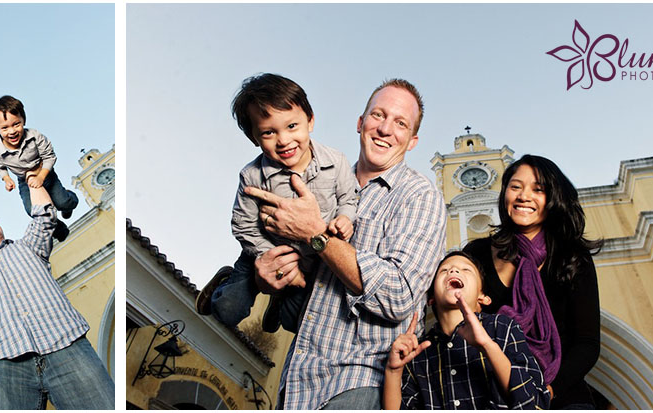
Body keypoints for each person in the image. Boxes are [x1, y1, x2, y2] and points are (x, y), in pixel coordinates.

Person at [245, 79, 446, 409]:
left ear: (412, 141)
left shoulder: (420, 197)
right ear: (360, 123)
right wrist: (263, 272)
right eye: (378, 115)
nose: (384, 129)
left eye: (400, 123)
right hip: (296, 382)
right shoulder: (321, 179)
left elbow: (398, 296)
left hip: (361, 382)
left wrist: (316, 234)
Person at [0, 179, 114, 410]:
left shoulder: (28, 247)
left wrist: (30, 170)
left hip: (66, 346)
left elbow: (45, 216)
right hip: (5, 363)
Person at [195, 73, 358, 334]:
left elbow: (350, 198)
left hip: (312, 258)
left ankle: (278, 299)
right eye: (269, 132)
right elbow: (242, 224)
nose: (283, 140)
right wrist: (268, 255)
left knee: (294, 323)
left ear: (310, 121)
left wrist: (345, 218)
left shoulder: (336, 162)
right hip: (263, 251)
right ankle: (225, 282)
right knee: (226, 311)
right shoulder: (252, 177)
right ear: (254, 139)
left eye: (292, 126)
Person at [463, 154, 602, 409]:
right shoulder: (477, 255)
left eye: (538, 189)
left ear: (553, 199)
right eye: (515, 187)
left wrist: (545, 392)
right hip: (493, 397)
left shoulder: (572, 257)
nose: (523, 196)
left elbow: (587, 344)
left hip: (562, 397)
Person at [383, 251, 550, 410]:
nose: (454, 270)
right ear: (431, 298)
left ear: (483, 297)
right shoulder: (418, 350)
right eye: (444, 270)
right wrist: (393, 371)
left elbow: (536, 404)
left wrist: (487, 346)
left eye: (466, 269)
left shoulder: (503, 327)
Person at [0, 95, 78, 242]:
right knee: (32, 210)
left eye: (16, 124)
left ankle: (69, 201)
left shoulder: (34, 136)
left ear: (23, 120)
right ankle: (59, 229)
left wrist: (41, 177)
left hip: (45, 173)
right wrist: (6, 178)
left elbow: (50, 156)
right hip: (24, 181)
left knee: (62, 203)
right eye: (5, 127)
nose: (12, 131)